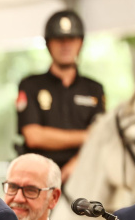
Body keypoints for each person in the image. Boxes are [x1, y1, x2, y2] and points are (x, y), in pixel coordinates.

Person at [16, 10, 105, 181]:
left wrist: (77, 163)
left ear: (80, 43)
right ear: (49, 44)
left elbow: (100, 138)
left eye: (71, 39)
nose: (65, 45)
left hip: (82, 174)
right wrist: (86, 136)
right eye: (59, 40)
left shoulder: (94, 89)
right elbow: (33, 136)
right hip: (37, 175)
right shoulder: (30, 85)